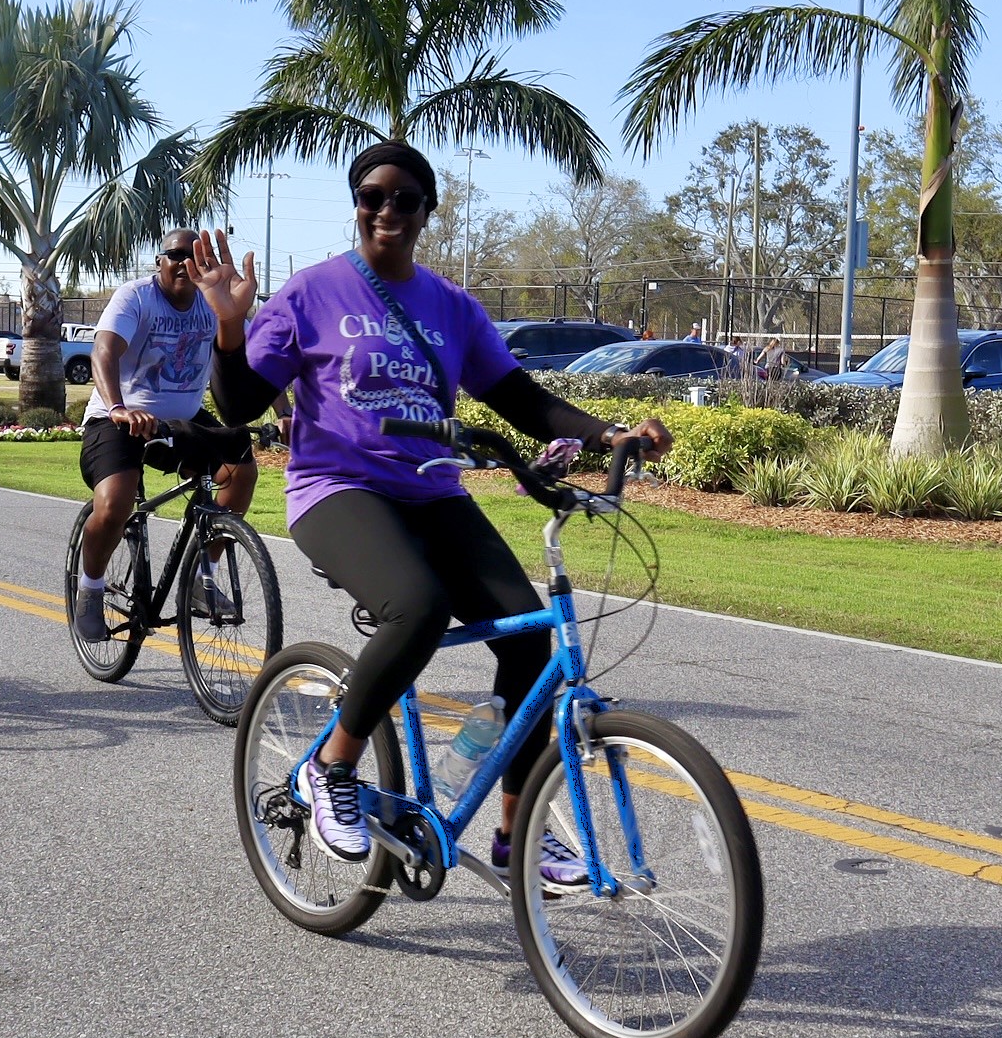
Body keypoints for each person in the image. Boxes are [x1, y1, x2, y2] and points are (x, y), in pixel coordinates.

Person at [201, 140, 670, 869]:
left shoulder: (451, 305)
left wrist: (607, 432)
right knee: (416, 607)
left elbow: (516, 397)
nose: (385, 210)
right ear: (356, 206)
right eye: (371, 196)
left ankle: (518, 835)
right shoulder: (312, 292)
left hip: (432, 489)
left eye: (403, 198)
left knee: (526, 640)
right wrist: (230, 328)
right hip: (339, 489)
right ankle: (332, 765)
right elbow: (235, 403)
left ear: (427, 210)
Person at [72, 227, 259, 641]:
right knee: (116, 502)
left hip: (184, 420)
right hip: (118, 420)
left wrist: (283, 414)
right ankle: (90, 588)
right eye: (174, 254)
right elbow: (103, 351)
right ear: (160, 260)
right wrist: (119, 407)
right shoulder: (135, 297)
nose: (182, 263)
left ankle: (201, 577)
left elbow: (252, 361)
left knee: (240, 470)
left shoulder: (213, 303)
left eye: (193, 255)